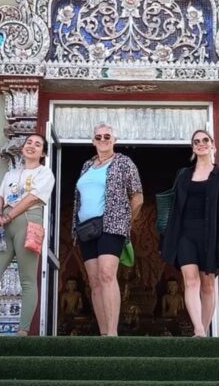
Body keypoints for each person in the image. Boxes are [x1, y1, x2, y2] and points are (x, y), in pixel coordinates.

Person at [160, 129, 219, 337]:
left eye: (205, 140)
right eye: (196, 141)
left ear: (212, 145)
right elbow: (175, 207)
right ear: (193, 147)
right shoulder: (184, 175)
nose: (201, 144)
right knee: (191, 280)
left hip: (210, 235)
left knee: (208, 285)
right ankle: (199, 329)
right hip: (185, 234)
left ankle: (205, 326)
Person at [73, 123, 143, 336]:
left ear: (114, 140)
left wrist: (125, 222)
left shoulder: (124, 162)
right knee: (93, 280)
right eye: (98, 136)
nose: (103, 139)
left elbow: (138, 197)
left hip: (112, 225)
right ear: (93, 141)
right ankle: (103, 334)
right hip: (86, 228)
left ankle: (113, 333)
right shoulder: (86, 165)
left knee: (106, 274)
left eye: (107, 136)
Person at [0, 134, 55, 336]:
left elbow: (32, 198)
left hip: (29, 221)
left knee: (28, 279)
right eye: (29, 142)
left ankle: (22, 331)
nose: (31, 146)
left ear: (43, 153)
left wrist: (7, 217)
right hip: (5, 223)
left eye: (37, 144)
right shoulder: (11, 174)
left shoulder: (45, 173)